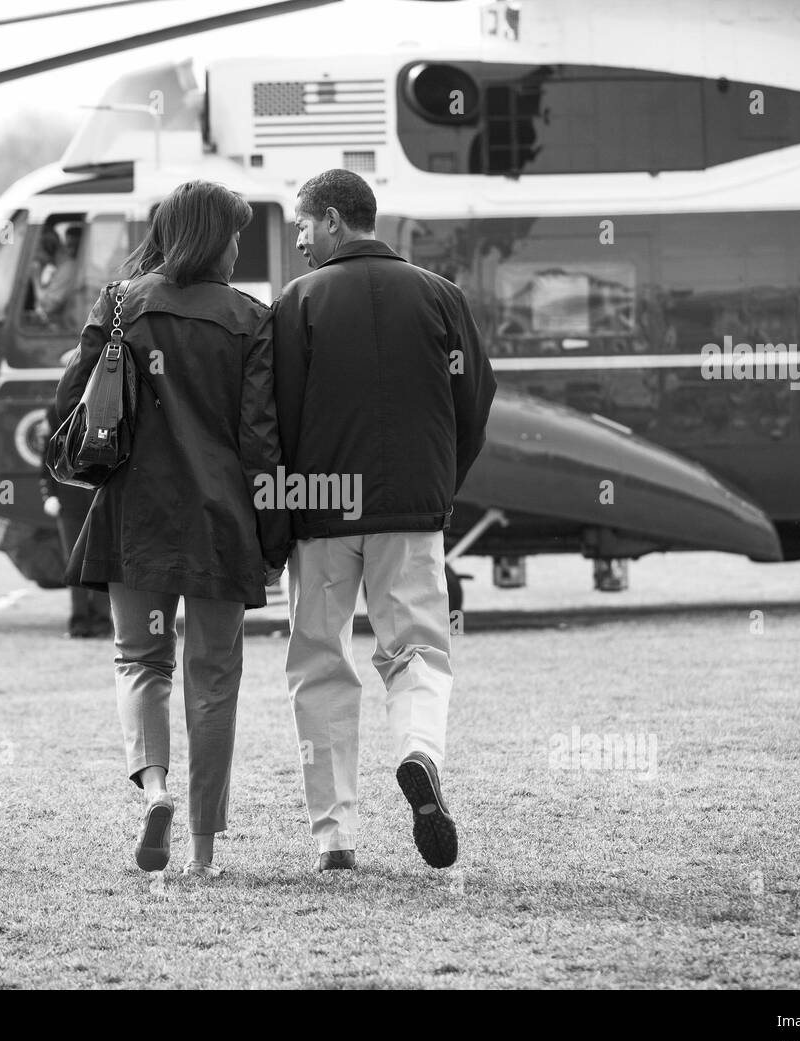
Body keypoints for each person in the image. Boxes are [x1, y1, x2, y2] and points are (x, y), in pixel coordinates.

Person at [55, 180, 292, 878]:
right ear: (215, 236)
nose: (240, 244)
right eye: (236, 232)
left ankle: (153, 789)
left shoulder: (120, 302)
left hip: (136, 520)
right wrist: (272, 539)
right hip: (221, 524)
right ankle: (203, 852)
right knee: (214, 679)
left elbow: (73, 405)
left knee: (141, 662)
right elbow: (262, 442)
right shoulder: (252, 317)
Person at [272, 169, 497, 873]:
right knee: (420, 651)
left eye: (303, 224)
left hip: (319, 509)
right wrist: (437, 482)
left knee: (320, 665)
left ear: (334, 219)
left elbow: (275, 413)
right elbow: (475, 399)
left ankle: (334, 836)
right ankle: (418, 753)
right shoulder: (441, 296)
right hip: (412, 507)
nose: (299, 239)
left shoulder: (298, 301)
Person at [39, 403, 113, 638]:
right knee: (74, 563)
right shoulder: (56, 410)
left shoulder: (108, 406)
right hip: (69, 501)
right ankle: (79, 621)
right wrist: (49, 493)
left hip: (99, 497)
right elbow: (47, 456)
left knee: (100, 561)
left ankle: (101, 621)